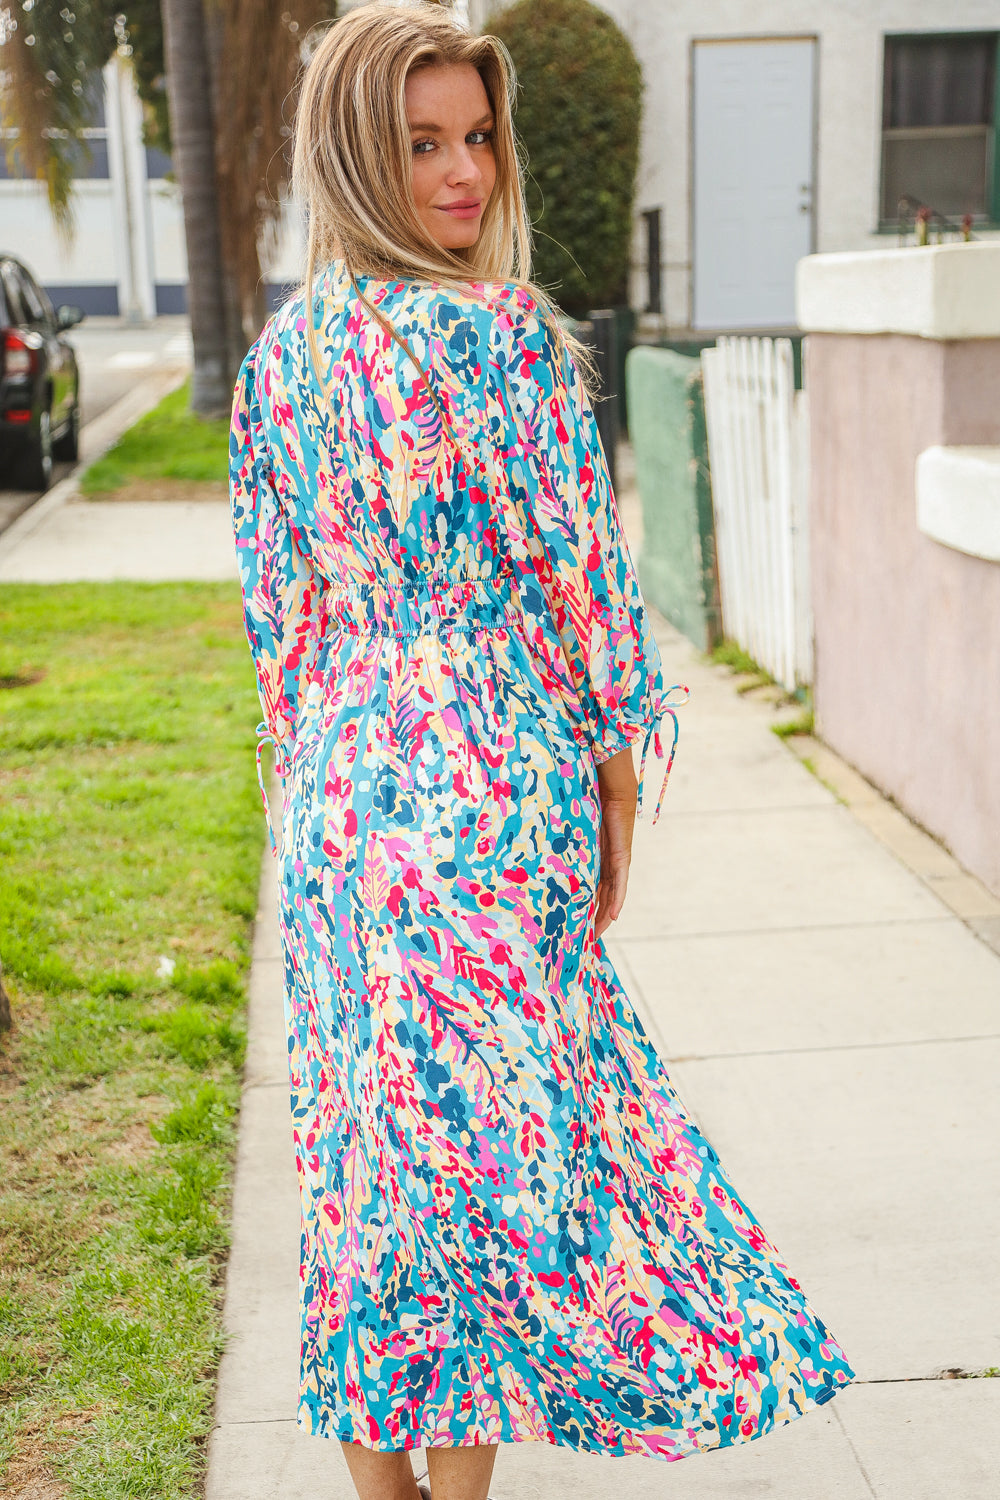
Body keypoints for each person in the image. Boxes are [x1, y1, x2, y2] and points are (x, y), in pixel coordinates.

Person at [229, 5, 854, 1499]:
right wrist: (616, 781)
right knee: (493, 1174)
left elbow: (279, 618)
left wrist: (319, 792)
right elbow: (588, 582)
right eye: (423, 142)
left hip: (341, 806)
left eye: (478, 136)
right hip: (491, 790)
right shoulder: (505, 334)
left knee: (372, 1178)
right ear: (357, 156)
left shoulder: (280, 360)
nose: (466, 171)